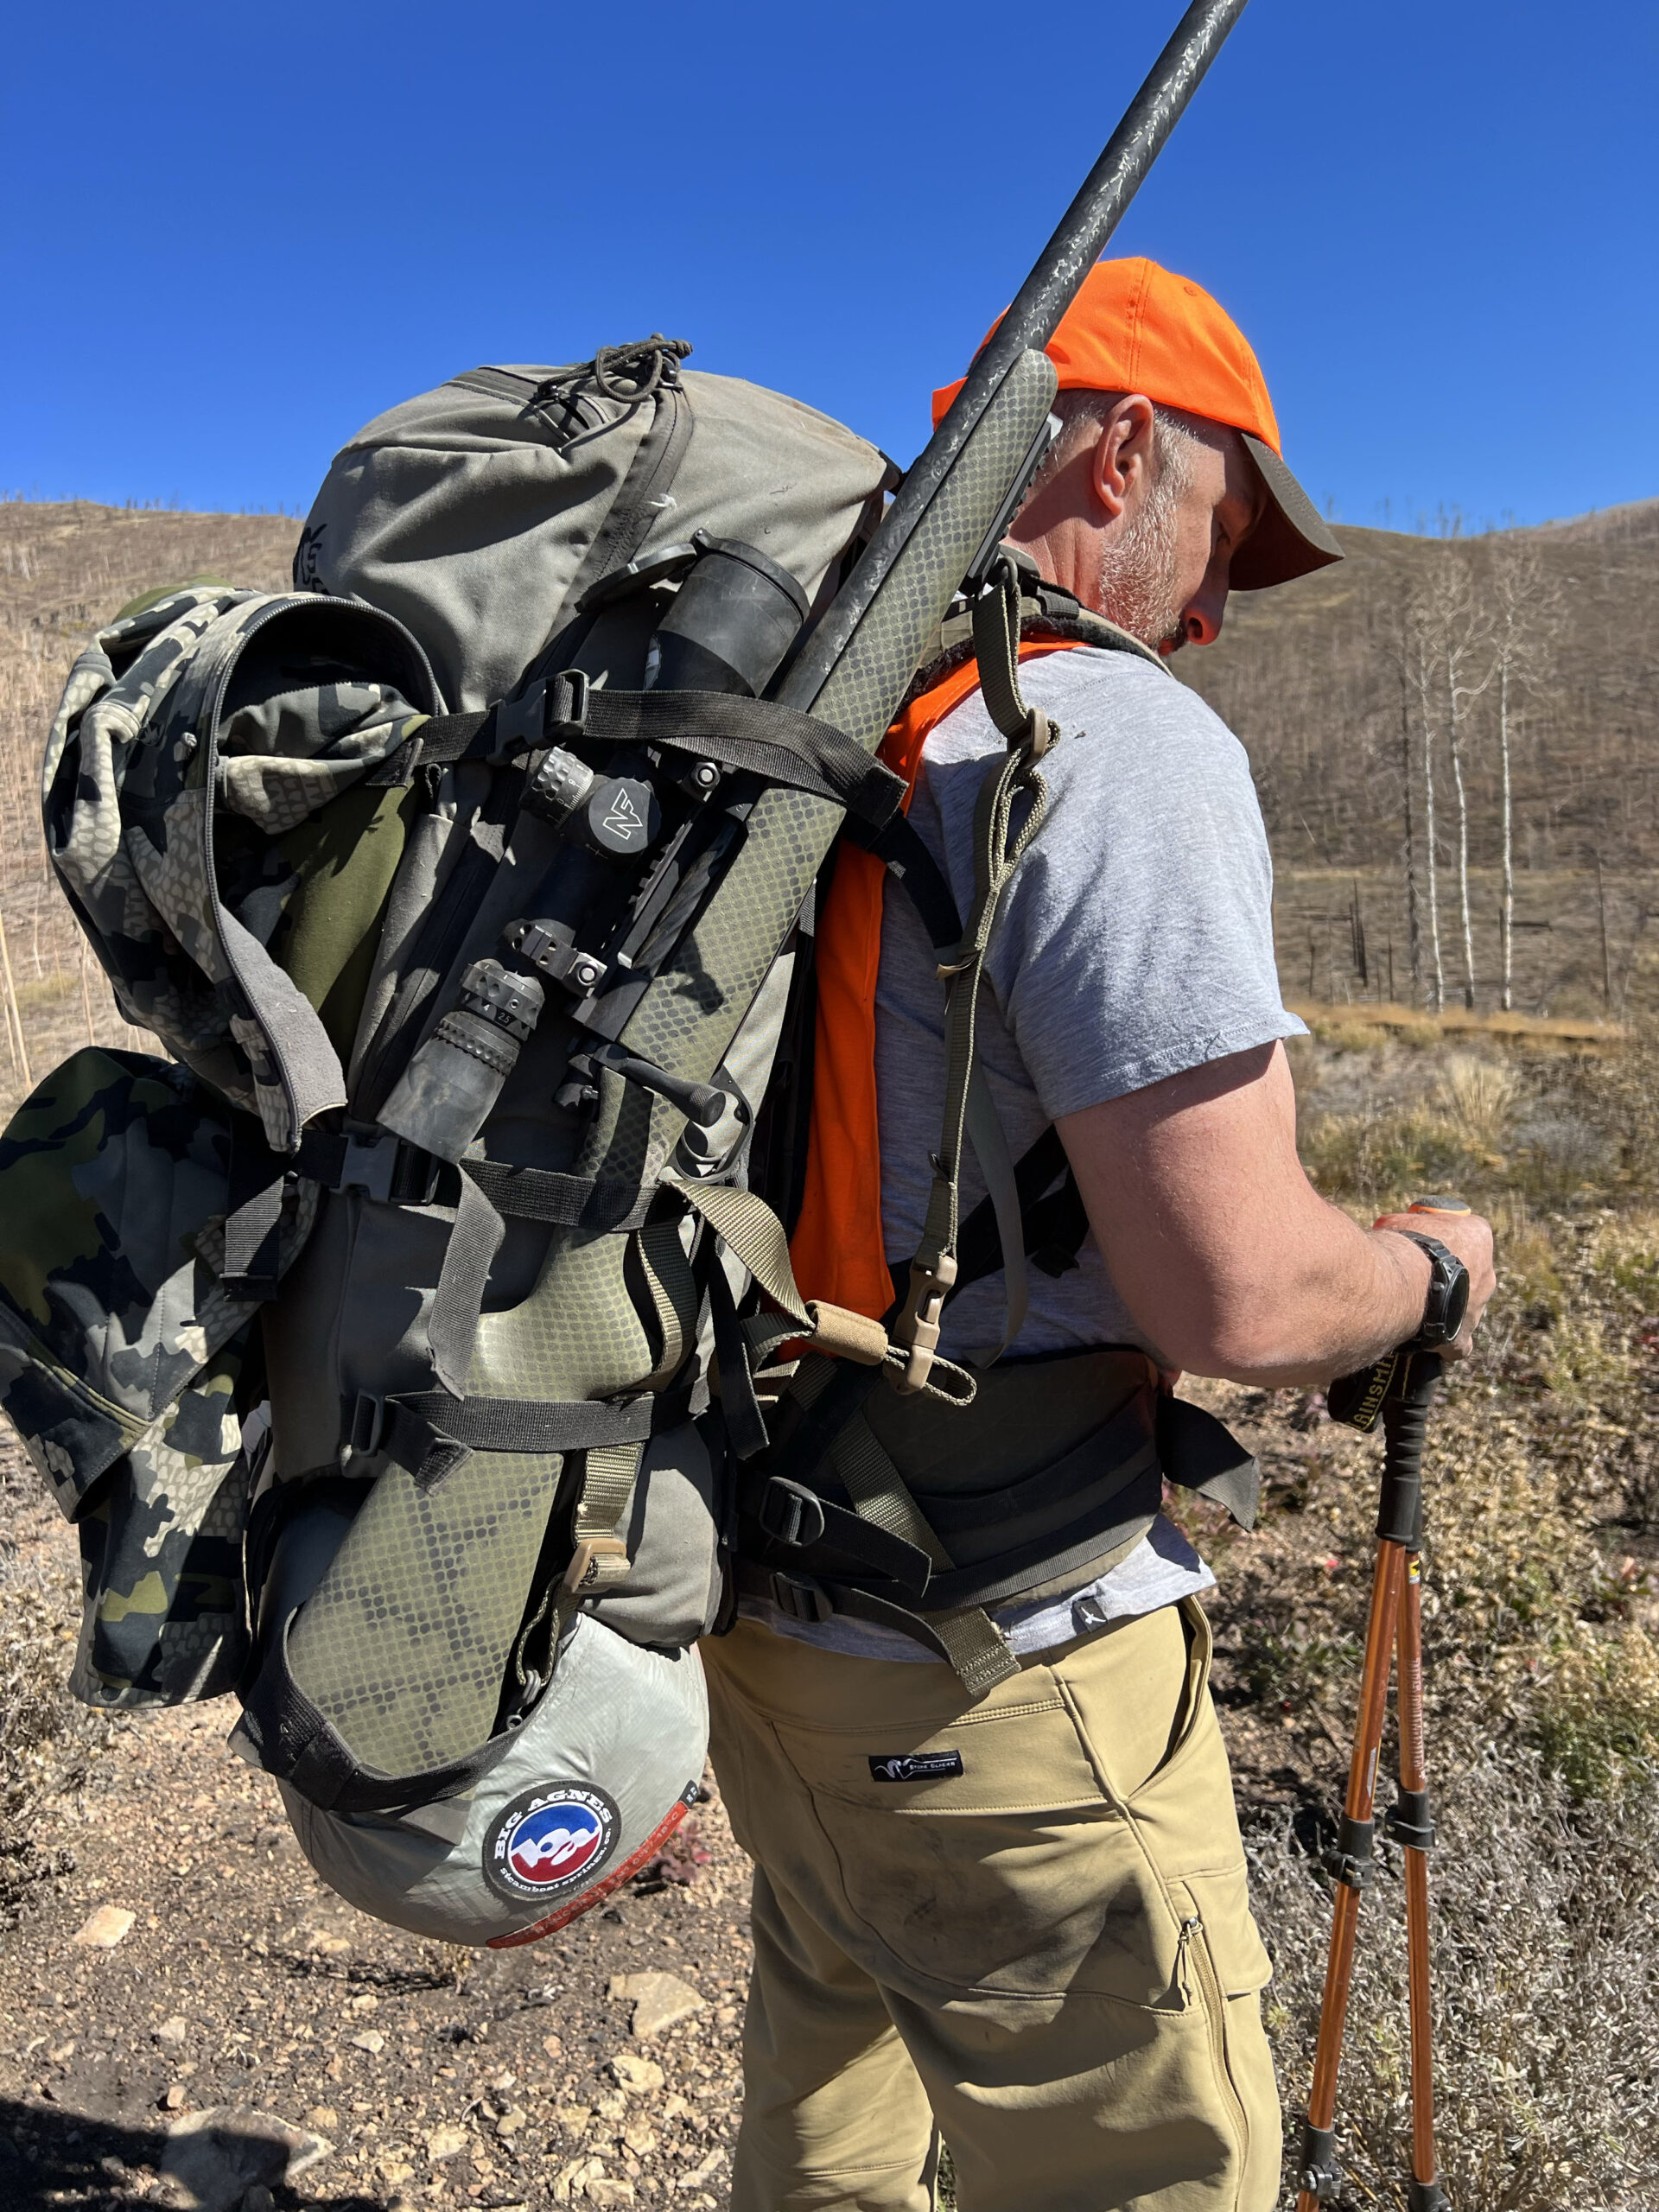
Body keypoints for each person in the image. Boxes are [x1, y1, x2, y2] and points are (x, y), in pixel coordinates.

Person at [702, 258, 1497, 2212]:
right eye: (1227, 531)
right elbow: (1234, 1292)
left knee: (835, 2132)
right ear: (1126, 448)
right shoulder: (1107, 740)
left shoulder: (801, 733)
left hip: (766, 1626)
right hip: (1007, 1666)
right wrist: (1438, 1264)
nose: (1220, 607)